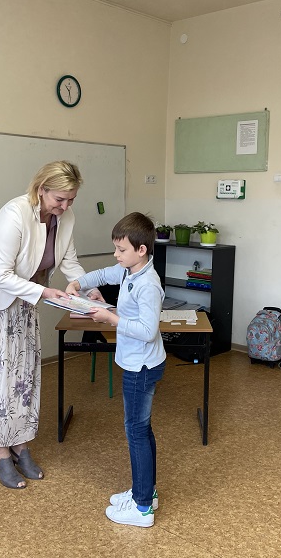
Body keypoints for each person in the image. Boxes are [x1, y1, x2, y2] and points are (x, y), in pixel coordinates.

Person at [0, 160, 100, 489]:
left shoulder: (66, 217)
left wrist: (88, 288)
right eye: (59, 199)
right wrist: (45, 291)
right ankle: (0, 453)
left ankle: (20, 445)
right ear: (41, 189)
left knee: (23, 375)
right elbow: (0, 275)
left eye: (71, 199)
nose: (65, 207)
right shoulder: (14, 214)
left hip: (25, 299)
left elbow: (69, 261)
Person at [66, 212, 166, 527]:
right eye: (115, 248)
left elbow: (148, 330)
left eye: (121, 249)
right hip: (138, 363)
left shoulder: (147, 284)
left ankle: (141, 508)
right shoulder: (129, 271)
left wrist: (110, 318)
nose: (116, 254)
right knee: (142, 430)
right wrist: (79, 283)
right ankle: (146, 493)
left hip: (141, 367)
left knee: (136, 432)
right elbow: (103, 274)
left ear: (141, 250)